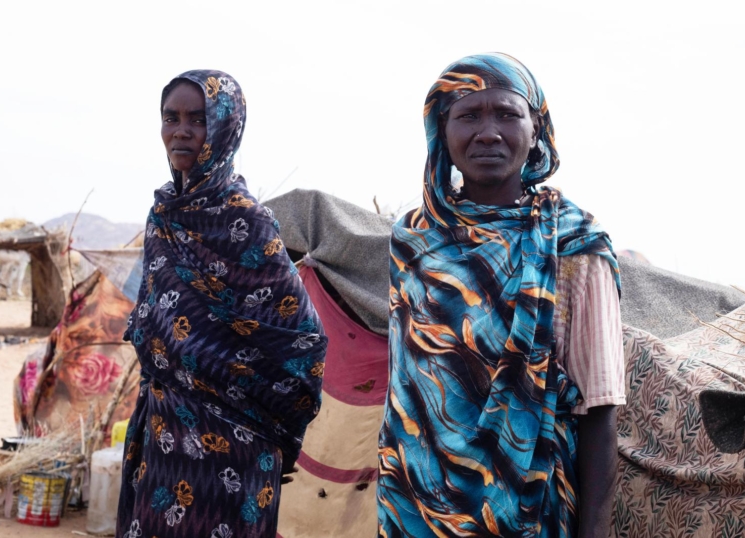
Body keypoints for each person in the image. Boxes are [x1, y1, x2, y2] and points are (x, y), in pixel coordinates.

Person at [376, 53, 624, 538]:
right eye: (468, 115)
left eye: (507, 114)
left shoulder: (574, 244)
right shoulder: (414, 240)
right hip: (414, 507)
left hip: (527, 507)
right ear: (441, 132)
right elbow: (407, 391)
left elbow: (600, 406)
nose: (488, 132)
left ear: (536, 129)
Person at [117, 70, 327, 538]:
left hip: (236, 444)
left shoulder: (244, 219)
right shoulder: (163, 217)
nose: (182, 131)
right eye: (171, 118)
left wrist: (277, 424)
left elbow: (301, 339)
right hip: (164, 433)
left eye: (198, 119)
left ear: (226, 128)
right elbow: (155, 315)